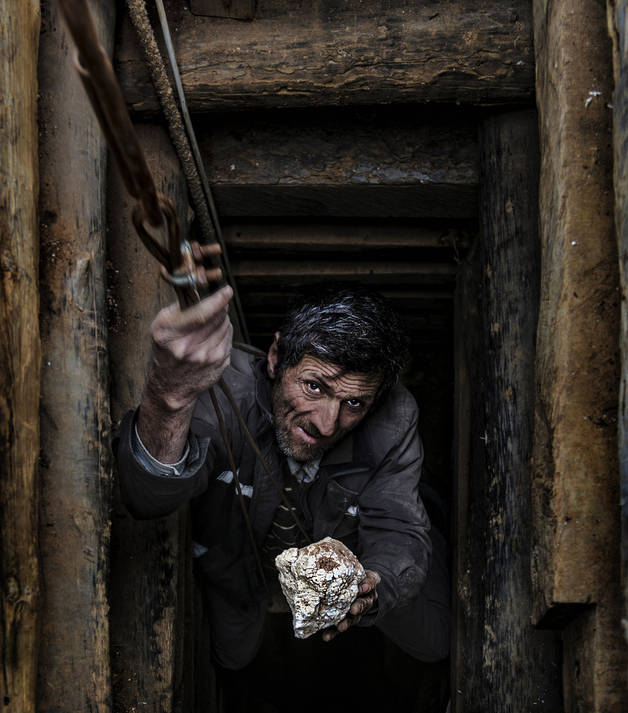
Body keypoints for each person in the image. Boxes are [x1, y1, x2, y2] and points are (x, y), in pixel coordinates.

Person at [113, 281, 451, 672]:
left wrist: (371, 588)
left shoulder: (393, 419)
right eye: (313, 386)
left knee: (435, 640)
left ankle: (432, 512)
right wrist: (168, 395)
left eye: (353, 402)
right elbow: (145, 498)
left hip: (353, 555)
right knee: (233, 658)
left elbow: (396, 528)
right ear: (275, 357)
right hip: (240, 560)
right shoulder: (222, 394)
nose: (327, 424)